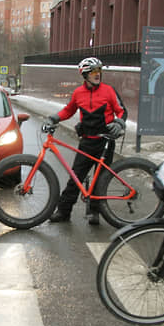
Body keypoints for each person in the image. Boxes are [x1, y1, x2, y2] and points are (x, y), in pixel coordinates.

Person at [45, 57, 128, 225]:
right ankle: (63, 211)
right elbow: (68, 110)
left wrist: (119, 123)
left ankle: (94, 212)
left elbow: (122, 111)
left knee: (100, 180)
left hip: (105, 142)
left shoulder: (108, 91)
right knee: (76, 177)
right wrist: (54, 118)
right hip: (87, 142)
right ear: (85, 74)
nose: (98, 75)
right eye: (94, 72)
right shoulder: (78, 93)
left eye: (99, 71)